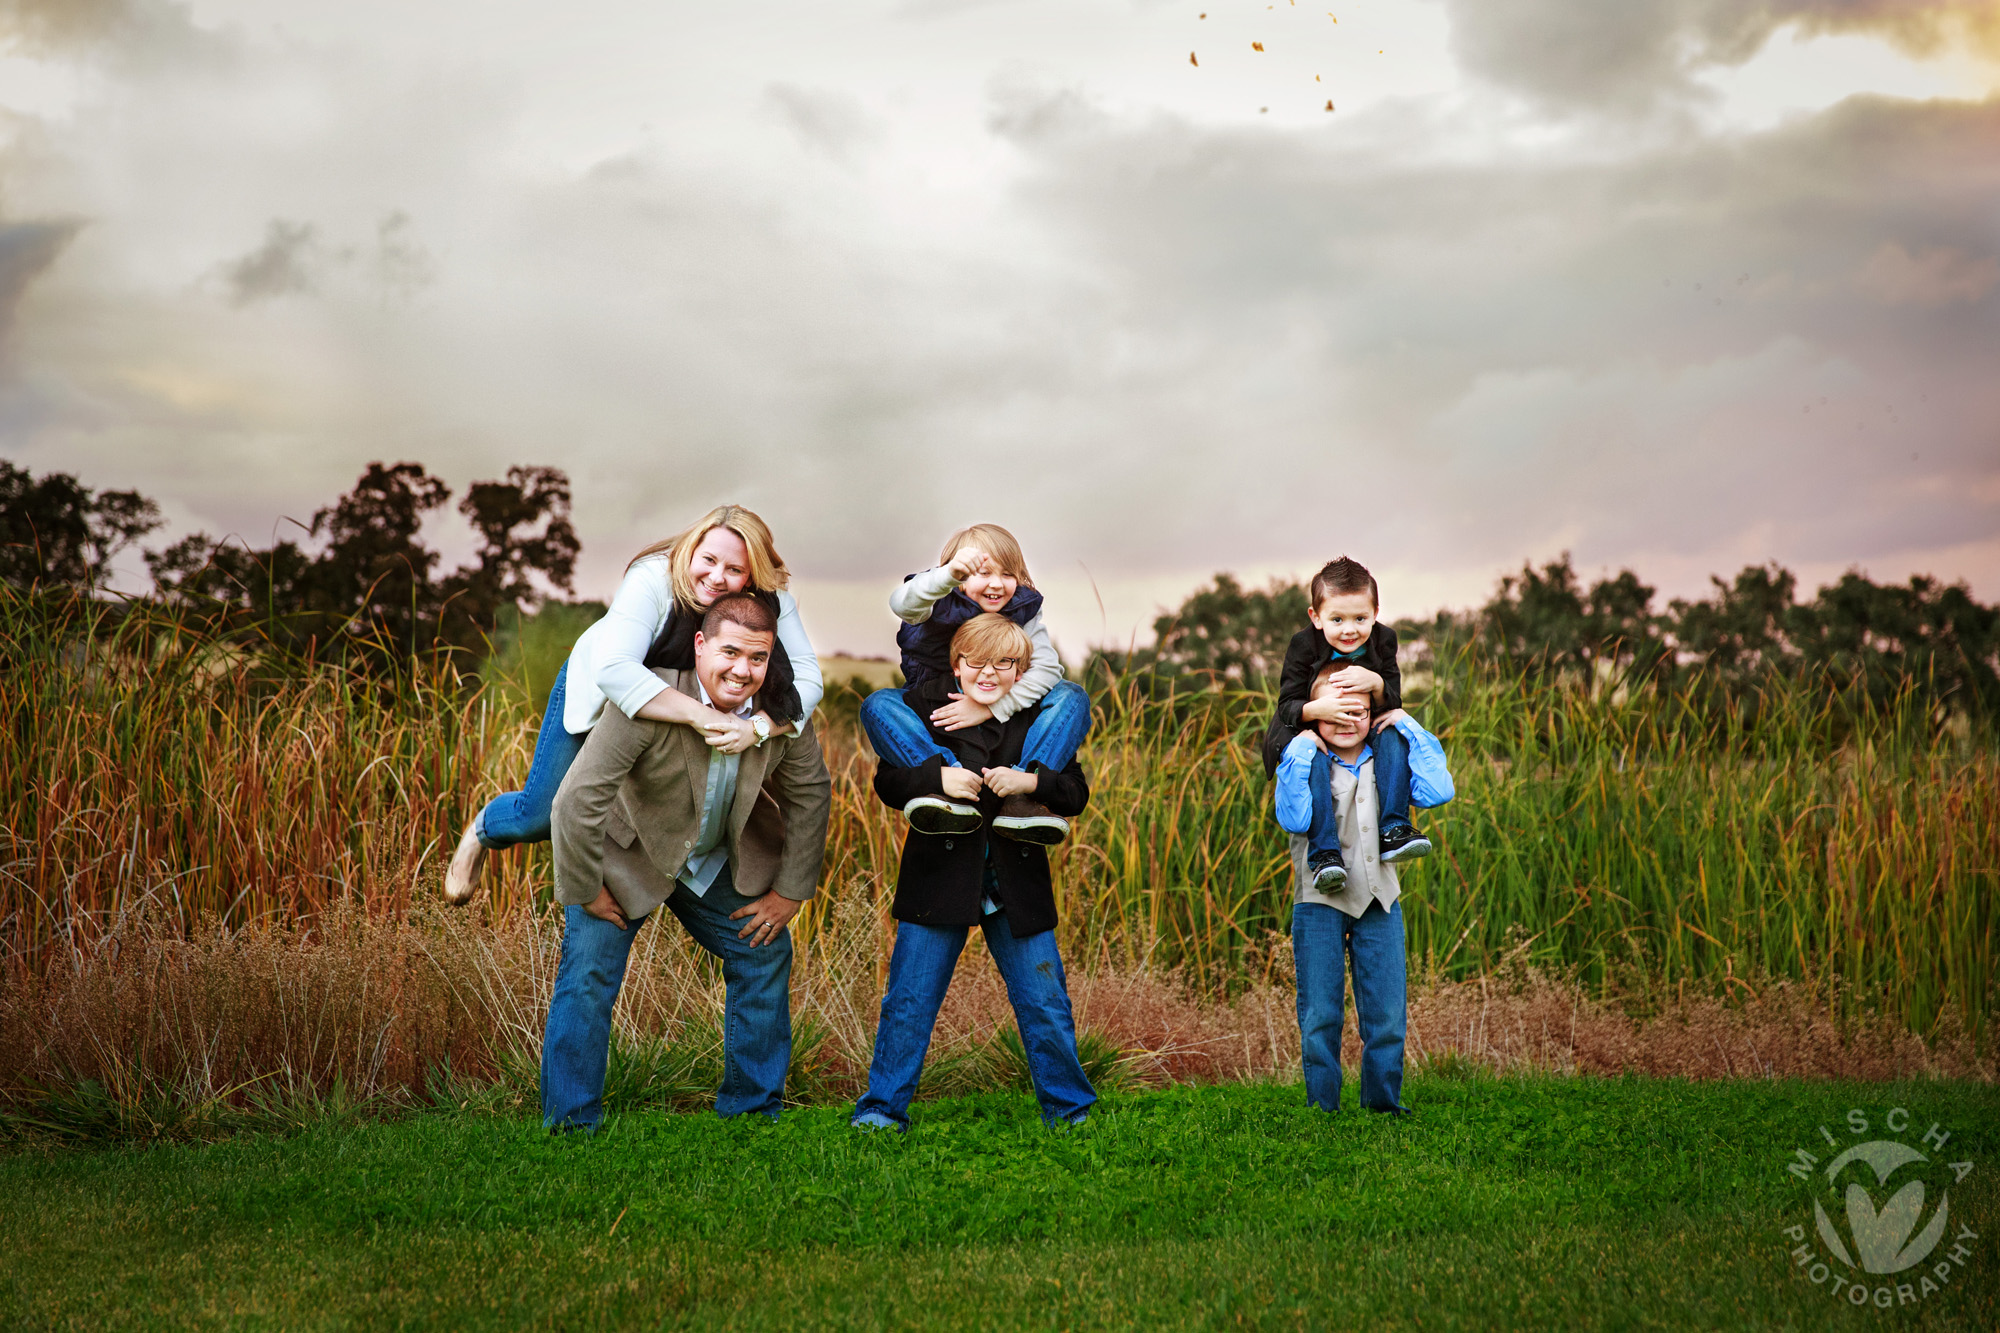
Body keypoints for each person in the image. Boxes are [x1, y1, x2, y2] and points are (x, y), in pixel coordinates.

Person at [542, 592, 832, 1129]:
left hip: (712, 862)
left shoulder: (783, 711)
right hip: (628, 856)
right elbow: (575, 801)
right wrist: (584, 888)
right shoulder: (650, 699)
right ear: (699, 645)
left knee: (764, 953)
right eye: (729, 653)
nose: (742, 671)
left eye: (758, 657)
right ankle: (570, 1123)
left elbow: (811, 794)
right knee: (587, 974)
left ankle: (751, 1112)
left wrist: (792, 890)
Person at [445, 504, 822, 904]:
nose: (716, 577)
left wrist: (755, 728)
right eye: (709, 560)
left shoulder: (770, 599)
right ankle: (482, 831)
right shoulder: (653, 578)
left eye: (734, 570)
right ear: (691, 550)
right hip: (598, 690)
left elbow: (810, 679)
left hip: (665, 715)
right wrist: (702, 716)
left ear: (751, 577)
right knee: (537, 816)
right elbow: (613, 669)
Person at [851, 613, 1096, 1132]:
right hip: (939, 876)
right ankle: (880, 1112)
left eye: (1005, 665)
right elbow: (889, 783)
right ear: (956, 665)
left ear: (1021, 670)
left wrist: (1030, 785)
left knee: (1044, 1000)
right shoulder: (926, 711)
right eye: (976, 663)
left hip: (1015, 880)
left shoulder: (1040, 720)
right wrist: (935, 776)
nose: (990, 674)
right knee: (909, 1002)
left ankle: (1071, 1111)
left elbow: (1075, 793)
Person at [1274, 668, 1454, 1116]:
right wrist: (1298, 746)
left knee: (1387, 1016)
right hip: (1318, 903)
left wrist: (1404, 723)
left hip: (1381, 901)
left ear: (1372, 714)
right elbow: (1294, 819)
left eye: (1358, 711)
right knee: (1320, 1014)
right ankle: (1323, 1108)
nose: (1346, 719)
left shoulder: (1390, 762)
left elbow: (1439, 790)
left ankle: (1382, 1105)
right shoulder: (1304, 760)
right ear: (1315, 716)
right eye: (1334, 711)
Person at [859, 523, 1091, 844]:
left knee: (1072, 695)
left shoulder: (1023, 614)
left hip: (1004, 704)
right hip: (936, 703)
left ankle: (1022, 794)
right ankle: (947, 784)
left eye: (1008, 574)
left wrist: (992, 708)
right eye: (983, 573)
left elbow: (1049, 668)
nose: (997, 584)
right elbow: (902, 603)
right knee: (879, 703)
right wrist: (947, 575)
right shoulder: (937, 599)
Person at [1261, 556, 1431, 895]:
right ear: (1316, 617)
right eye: (1337, 619)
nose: (1349, 629)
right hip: (1309, 726)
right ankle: (1325, 855)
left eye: (1360, 618)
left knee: (1394, 736)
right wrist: (1316, 710)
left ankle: (1395, 828)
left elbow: (1394, 696)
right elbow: (1286, 705)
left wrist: (1376, 682)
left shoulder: (1384, 640)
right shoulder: (1302, 644)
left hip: (1364, 723)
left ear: (1376, 613)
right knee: (1313, 760)